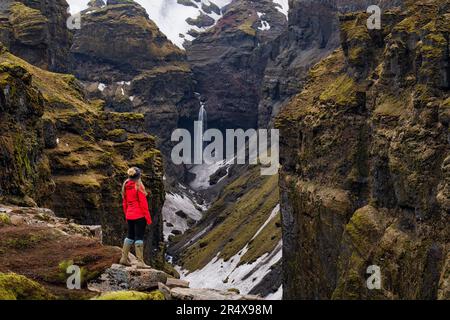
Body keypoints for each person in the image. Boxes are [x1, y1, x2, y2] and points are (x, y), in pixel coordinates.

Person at [120, 167, 152, 268]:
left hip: (129, 215)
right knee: (139, 237)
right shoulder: (138, 186)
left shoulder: (125, 186)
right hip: (139, 215)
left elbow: (124, 203)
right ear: (138, 177)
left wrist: (127, 214)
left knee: (130, 236)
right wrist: (148, 218)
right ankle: (140, 262)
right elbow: (143, 204)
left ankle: (124, 258)